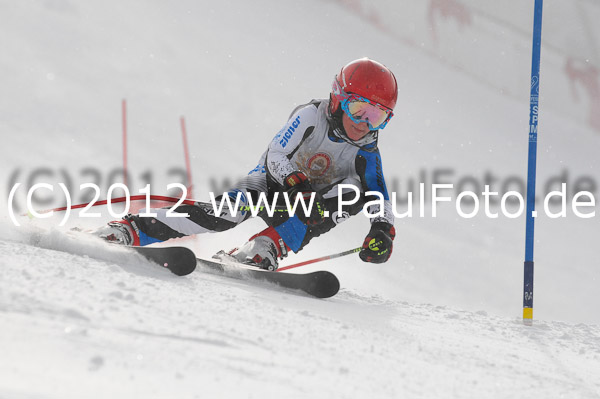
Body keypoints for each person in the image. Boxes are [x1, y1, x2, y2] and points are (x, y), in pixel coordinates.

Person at [94, 57, 398, 270]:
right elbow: (275, 155)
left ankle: (263, 249)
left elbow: (379, 195)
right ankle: (131, 229)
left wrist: (382, 230)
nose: (364, 123)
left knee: (353, 194)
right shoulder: (310, 116)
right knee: (220, 216)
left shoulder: (367, 150)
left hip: (308, 206)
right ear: (337, 98)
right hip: (268, 184)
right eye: (358, 109)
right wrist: (296, 183)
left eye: (377, 117)